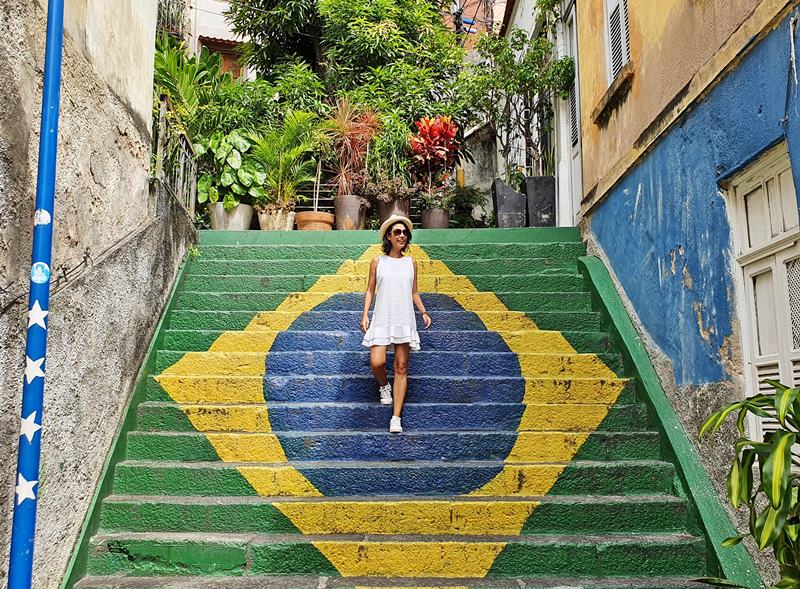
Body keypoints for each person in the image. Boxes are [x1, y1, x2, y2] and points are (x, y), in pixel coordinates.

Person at [361, 215, 432, 433]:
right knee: (377, 362)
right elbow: (370, 289)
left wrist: (423, 312)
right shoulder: (377, 261)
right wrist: (365, 315)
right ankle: (384, 386)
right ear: (389, 237)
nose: (402, 235)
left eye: (405, 233)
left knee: (401, 367)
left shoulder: (411, 263)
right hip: (383, 317)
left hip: (403, 318)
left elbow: (414, 292)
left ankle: (396, 417)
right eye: (397, 232)